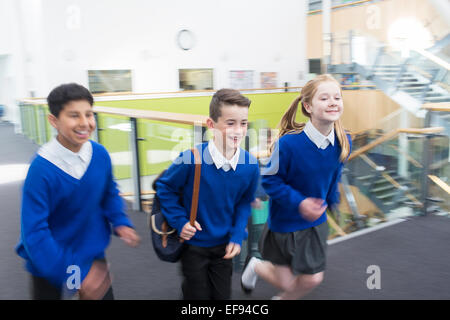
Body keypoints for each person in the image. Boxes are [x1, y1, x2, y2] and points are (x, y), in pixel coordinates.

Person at [15, 83, 140, 300]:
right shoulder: (41, 170)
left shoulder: (99, 154)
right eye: (74, 115)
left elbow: (108, 192)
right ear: (53, 120)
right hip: (48, 256)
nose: (84, 123)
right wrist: (76, 274)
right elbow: (34, 232)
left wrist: (119, 221)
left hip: (89, 251)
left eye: (89, 114)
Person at [241, 74, 352, 300]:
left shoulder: (344, 140)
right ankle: (256, 266)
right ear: (308, 106)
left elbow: (334, 175)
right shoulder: (288, 144)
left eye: (337, 97)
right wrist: (300, 202)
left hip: (315, 224)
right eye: (324, 98)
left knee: (312, 278)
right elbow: (270, 180)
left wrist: (332, 203)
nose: (333, 102)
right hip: (284, 225)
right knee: (288, 283)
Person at [156, 88, 260, 300]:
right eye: (230, 123)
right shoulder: (190, 159)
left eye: (243, 123)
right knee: (197, 296)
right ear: (211, 125)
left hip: (224, 248)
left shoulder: (250, 165)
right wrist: (179, 221)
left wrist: (238, 235)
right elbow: (165, 188)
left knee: (222, 297)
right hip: (193, 246)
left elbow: (244, 203)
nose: (238, 131)